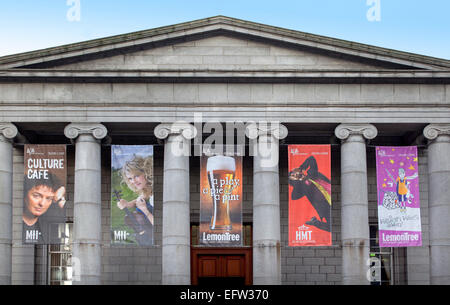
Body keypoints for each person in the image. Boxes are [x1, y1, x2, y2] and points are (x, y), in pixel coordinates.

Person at [117, 155, 154, 245]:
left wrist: (145, 211)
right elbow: (139, 199)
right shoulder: (147, 190)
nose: (133, 181)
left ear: (146, 172)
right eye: (130, 178)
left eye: (136, 176)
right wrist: (127, 204)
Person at [22, 173, 66, 243]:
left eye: (49, 198)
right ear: (24, 195)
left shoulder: (49, 225)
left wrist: (60, 199)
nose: (42, 204)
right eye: (36, 196)